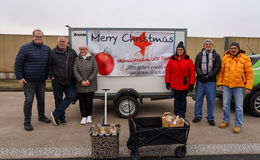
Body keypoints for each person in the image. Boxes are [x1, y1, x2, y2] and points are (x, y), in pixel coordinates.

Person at [15, 29, 51, 131]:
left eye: (40, 36)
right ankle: (27, 122)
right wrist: (19, 77)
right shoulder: (25, 48)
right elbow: (18, 63)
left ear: (43, 37)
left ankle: (41, 116)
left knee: (41, 99)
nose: (38, 38)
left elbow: (49, 64)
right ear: (33, 37)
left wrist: (50, 75)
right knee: (29, 101)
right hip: (29, 81)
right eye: (37, 36)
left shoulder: (47, 49)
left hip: (41, 81)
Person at [217, 42, 253, 134]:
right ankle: (226, 121)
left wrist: (248, 87)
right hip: (226, 86)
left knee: (239, 107)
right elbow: (221, 73)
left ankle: (238, 124)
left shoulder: (245, 59)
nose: (233, 50)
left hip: (239, 86)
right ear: (229, 49)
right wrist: (219, 84)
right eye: (231, 48)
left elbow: (249, 74)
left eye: (235, 48)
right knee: (225, 105)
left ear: (238, 49)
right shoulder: (225, 58)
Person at [48, 36, 77, 125]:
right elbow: (49, 65)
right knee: (58, 100)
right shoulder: (53, 52)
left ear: (67, 42)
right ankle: (61, 118)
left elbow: (76, 64)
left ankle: (55, 114)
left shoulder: (72, 52)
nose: (62, 43)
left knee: (72, 96)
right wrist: (51, 76)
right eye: (60, 41)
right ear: (57, 42)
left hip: (70, 81)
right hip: (57, 81)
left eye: (63, 41)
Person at [192, 39, 221, 126]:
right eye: (206, 44)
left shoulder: (216, 55)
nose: (208, 45)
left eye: (209, 44)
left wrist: (209, 76)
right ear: (204, 46)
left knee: (211, 100)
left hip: (211, 81)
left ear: (212, 45)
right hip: (200, 81)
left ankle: (210, 118)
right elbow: (196, 66)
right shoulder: (199, 55)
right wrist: (201, 75)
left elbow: (217, 67)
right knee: (199, 99)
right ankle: (198, 116)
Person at [165, 41, 195, 118]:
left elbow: (192, 73)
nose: (180, 51)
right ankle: (176, 114)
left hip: (184, 85)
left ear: (183, 50)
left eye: (181, 49)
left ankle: (182, 115)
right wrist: (167, 82)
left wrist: (191, 83)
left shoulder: (188, 60)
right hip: (175, 85)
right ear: (176, 50)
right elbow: (168, 71)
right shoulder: (172, 60)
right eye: (178, 49)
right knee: (176, 100)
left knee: (183, 100)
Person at [74, 45, 98, 124]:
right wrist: (81, 81)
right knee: (82, 101)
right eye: (81, 49)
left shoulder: (92, 58)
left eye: (84, 49)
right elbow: (75, 70)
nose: (82, 51)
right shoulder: (77, 59)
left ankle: (89, 116)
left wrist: (89, 80)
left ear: (87, 50)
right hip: (80, 84)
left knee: (89, 101)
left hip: (90, 84)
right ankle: (84, 117)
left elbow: (95, 70)